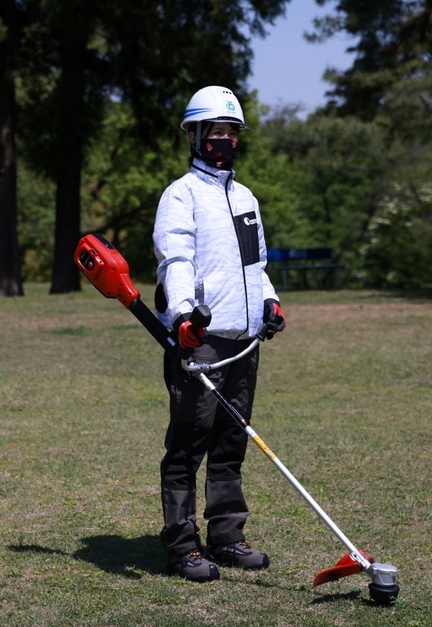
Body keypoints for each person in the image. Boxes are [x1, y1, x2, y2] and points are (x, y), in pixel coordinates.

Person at [153, 85, 287, 582]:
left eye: (232, 131)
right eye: (216, 130)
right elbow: (176, 261)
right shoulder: (180, 195)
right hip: (201, 339)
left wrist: (269, 302)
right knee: (189, 443)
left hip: (245, 341)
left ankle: (227, 537)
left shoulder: (246, 196)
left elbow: (256, 263)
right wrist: (186, 317)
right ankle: (182, 546)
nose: (225, 139)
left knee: (232, 444)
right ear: (194, 135)